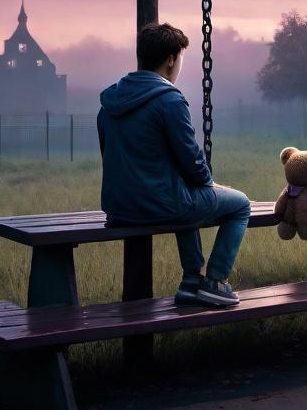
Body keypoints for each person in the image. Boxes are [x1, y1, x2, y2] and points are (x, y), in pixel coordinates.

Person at [97, 22, 252, 308]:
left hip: (119, 208)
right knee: (240, 204)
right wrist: (209, 184)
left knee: (183, 194)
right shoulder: (168, 100)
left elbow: (111, 154)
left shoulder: (109, 103)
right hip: (161, 206)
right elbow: (192, 160)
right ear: (171, 59)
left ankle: (191, 281)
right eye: (179, 58)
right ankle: (215, 282)